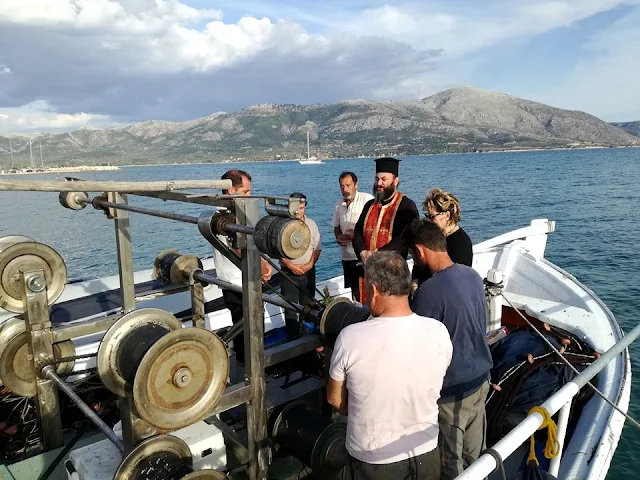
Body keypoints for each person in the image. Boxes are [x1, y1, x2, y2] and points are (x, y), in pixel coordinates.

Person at [328, 251, 452, 480]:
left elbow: (335, 399)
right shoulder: (439, 332)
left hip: (373, 461)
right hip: (426, 452)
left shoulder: (349, 337)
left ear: (374, 290)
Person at [404, 220, 492, 480]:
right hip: (480, 381)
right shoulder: (472, 276)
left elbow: (417, 349)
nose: (413, 261)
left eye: (412, 255)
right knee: (476, 455)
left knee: (450, 464)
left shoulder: (428, 293)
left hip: (452, 393)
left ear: (420, 251)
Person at [213, 169, 273, 365]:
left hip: (230, 281)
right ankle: (254, 369)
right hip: (241, 281)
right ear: (231, 190)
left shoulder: (217, 214)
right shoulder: (229, 217)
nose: (249, 196)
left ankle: (246, 365)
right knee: (252, 329)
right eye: (245, 191)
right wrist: (263, 268)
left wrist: (262, 262)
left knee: (242, 329)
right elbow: (241, 248)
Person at [352, 157, 419, 304]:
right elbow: (357, 231)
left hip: (393, 274)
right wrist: (362, 252)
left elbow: (404, 238)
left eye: (384, 179)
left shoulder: (406, 206)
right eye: (377, 179)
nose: (379, 183)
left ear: (395, 181)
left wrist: (377, 255)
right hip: (367, 272)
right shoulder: (370, 205)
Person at [279, 192, 322, 340]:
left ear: (305, 207)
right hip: (288, 272)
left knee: (308, 306)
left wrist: (310, 264)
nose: (299, 211)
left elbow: (317, 248)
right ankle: (292, 338)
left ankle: (308, 337)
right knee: (290, 307)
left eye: (302, 208)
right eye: (296, 208)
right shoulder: (283, 225)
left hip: (308, 271)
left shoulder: (312, 224)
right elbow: (277, 249)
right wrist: (290, 265)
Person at [412, 187, 473, 289]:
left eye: (432, 217)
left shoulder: (460, 245)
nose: (429, 221)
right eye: (427, 216)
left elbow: (453, 279)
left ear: (447, 216)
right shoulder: (436, 236)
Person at [332, 172, 374, 300]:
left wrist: (357, 234)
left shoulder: (367, 200)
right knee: (354, 289)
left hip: (363, 254)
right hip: (347, 256)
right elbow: (336, 227)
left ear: (356, 184)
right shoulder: (338, 205)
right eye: (342, 186)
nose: (345, 189)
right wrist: (338, 237)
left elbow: (375, 223)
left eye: (348, 185)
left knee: (369, 288)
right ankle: (357, 308)